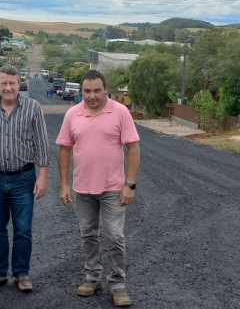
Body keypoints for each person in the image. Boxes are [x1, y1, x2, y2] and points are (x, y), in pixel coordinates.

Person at [57, 70, 140, 307]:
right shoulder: (73, 114)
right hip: (83, 188)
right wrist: (64, 185)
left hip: (113, 188)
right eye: (87, 91)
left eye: (96, 90)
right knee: (88, 235)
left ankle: (118, 285)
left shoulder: (120, 112)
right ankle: (92, 278)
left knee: (114, 236)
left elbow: (133, 149)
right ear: (81, 91)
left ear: (105, 90)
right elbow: (64, 150)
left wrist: (129, 184)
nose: (92, 96)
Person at [0, 65, 50, 292]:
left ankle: (22, 274)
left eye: (12, 83)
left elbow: (42, 144)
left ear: (18, 84)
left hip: (23, 177)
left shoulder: (33, 108)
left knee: (23, 229)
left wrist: (42, 175)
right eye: (3, 83)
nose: (8, 88)